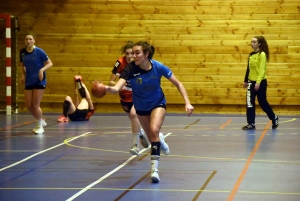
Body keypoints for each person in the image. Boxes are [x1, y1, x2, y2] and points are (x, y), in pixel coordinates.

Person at [103, 41, 194, 183]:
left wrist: (187, 102)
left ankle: (154, 170)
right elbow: (116, 88)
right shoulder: (130, 69)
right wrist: (104, 88)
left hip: (158, 103)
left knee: (153, 130)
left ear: (146, 54)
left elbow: (178, 84)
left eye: (137, 52)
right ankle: (160, 140)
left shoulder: (158, 67)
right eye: (132, 53)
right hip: (140, 107)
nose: (134, 56)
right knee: (153, 139)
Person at [109, 41, 150, 155]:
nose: (130, 56)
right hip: (124, 97)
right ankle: (141, 133)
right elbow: (111, 81)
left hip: (136, 95)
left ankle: (135, 145)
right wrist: (120, 86)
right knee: (133, 119)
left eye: (132, 53)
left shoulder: (139, 64)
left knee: (134, 115)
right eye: (127, 53)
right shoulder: (119, 63)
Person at [242, 36, 279, 130]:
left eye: (254, 42)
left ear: (259, 44)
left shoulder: (262, 54)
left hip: (260, 82)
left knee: (262, 102)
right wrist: (246, 81)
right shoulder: (251, 55)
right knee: (250, 103)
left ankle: (274, 117)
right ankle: (251, 123)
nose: (252, 43)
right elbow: (248, 69)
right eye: (251, 42)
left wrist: (258, 82)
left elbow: (262, 70)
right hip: (251, 81)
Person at [20, 33, 53, 134]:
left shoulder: (39, 51)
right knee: (29, 106)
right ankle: (41, 121)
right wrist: (23, 75)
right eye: (26, 39)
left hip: (39, 80)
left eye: (30, 39)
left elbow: (50, 63)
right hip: (29, 80)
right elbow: (23, 65)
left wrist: (41, 70)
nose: (28, 41)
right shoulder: (22, 52)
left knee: (35, 105)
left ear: (34, 40)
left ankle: (40, 126)